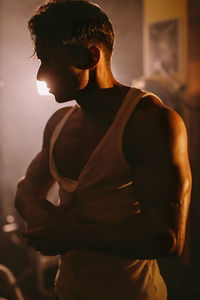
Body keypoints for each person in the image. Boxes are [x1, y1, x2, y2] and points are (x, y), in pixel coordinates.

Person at [15, 1, 192, 299]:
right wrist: (40, 217)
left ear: (90, 56)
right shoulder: (59, 122)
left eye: (51, 60)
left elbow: (167, 238)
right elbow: (28, 186)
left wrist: (69, 233)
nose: (40, 75)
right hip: (68, 292)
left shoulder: (150, 123)